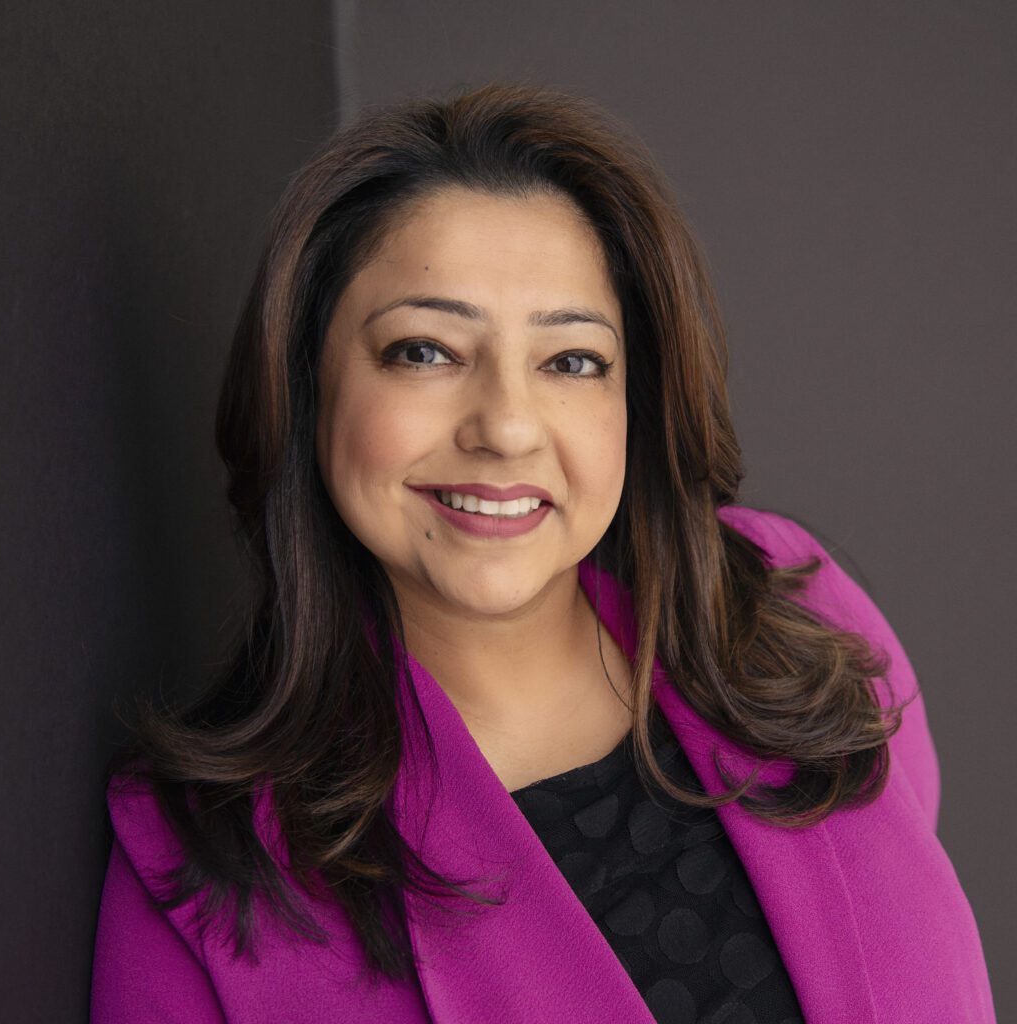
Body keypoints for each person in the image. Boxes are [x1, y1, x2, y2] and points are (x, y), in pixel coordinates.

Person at [89, 83, 995, 1023]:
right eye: (426, 351)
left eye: (570, 362)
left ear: (633, 402)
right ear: (307, 383)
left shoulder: (786, 614)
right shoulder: (199, 859)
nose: (508, 428)